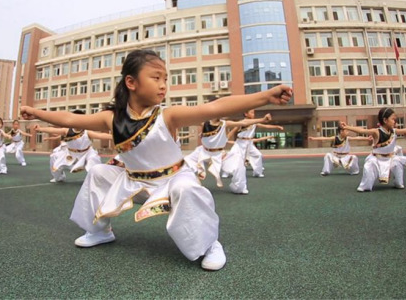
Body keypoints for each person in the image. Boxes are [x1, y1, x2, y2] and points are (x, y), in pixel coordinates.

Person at [20, 49, 292, 271]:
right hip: (133, 182)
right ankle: (101, 231)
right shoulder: (111, 117)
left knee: (186, 189)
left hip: (173, 179)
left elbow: (214, 107)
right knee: (99, 173)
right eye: (156, 77)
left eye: (166, 78)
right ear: (131, 82)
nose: (163, 85)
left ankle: (209, 244)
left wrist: (265, 96)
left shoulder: (168, 115)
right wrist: (36, 112)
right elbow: (70, 120)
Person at [184, 111, 272, 194]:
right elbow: (188, 120)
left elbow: (244, 122)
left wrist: (262, 120)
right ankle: (189, 186)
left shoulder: (225, 123)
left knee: (239, 164)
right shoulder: (204, 123)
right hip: (203, 152)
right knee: (184, 163)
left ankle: (239, 188)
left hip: (219, 154)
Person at [340, 108, 406, 192]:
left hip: (390, 158)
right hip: (376, 159)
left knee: (397, 164)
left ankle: (398, 182)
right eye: (392, 119)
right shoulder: (376, 132)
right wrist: (347, 127)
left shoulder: (394, 131)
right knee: (369, 167)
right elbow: (362, 130)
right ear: (385, 120)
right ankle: (365, 186)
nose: (394, 121)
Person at [33, 111, 112, 183]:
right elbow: (53, 130)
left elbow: (102, 135)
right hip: (70, 153)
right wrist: (40, 129)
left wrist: (115, 136)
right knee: (54, 157)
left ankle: (97, 179)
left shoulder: (87, 132)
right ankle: (59, 177)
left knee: (93, 160)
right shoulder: (67, 131)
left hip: (86, 153)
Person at [226, 110, 284, 178]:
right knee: (234, 156)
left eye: (254, 113)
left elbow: (265, 126)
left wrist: (277, 127)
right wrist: (225, 139)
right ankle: (227, 172)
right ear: (246, 114)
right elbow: (233, 131)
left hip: (249, 142)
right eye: (251, 112)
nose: (253, 114)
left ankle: (257, 172)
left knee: (258, 155)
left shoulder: (254, 123)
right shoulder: (242, 122)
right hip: (241, 142)